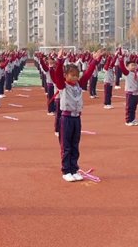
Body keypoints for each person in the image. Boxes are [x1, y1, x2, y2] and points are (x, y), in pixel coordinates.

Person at [51, 49, 102, 182]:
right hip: (66, 118)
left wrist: (95, 60)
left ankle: (74, 169)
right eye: (72, 75)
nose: (75, 77)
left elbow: (89, 73)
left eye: (76, 75)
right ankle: (66, 170)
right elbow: (57, 74)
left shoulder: (80, 84)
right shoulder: (62, 85)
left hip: (76, 118)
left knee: (75, 144)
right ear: (66, 75)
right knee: (66, 145)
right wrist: (60, 60)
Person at [119, 53, 138, 125]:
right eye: (132, 65)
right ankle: (128, 121)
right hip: (130, 92)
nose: (134, 67)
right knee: (129, 107)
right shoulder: (127, 73)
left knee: (134, 106)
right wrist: (121, 59)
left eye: (135, 65)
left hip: (136, 93)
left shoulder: (137, 72)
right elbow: (122, 67)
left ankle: (132, 119)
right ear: (127, 67)